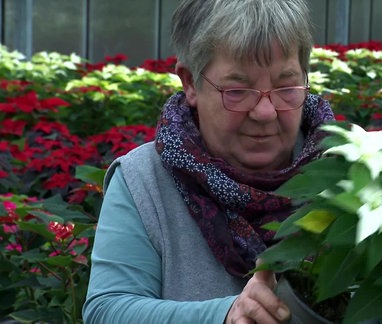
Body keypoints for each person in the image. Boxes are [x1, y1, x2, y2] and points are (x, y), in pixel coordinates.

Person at [82, 0, 335, 323]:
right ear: (190, 83)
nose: (265, 112)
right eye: (238, 90)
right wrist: (223, 315)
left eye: (286, 87)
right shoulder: (143, 180)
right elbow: (107, 310)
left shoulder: (347, 171)